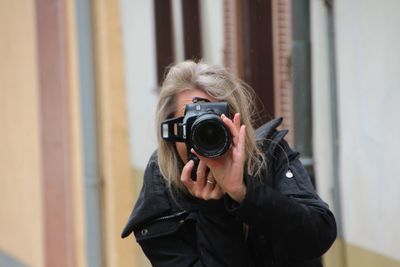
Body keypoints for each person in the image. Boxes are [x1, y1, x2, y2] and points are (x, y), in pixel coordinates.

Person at [121, 60, 337, 267]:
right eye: (192, 126)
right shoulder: (162, 196)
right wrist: (213, 209)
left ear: (237, 124)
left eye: (215, 124)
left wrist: (244, 193)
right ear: (173, 132)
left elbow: (318, 236)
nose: (205, 136)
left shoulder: (270, 155)